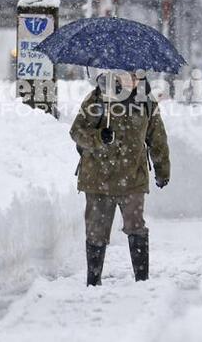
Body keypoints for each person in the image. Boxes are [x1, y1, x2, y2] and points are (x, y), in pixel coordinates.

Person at [70, 70, 170, 286]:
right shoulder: (97, 98)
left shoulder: (146, 102)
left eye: (138, 74)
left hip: (133, 178)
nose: (134, 79)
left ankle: (142, 280)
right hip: (98, 178)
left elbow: (158, 138)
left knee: (136, 227)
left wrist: (163, 170)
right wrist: (98, 137)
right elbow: (76, 131)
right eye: (129, 74)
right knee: (96, 231)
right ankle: (93, 281)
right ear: (117, 74)